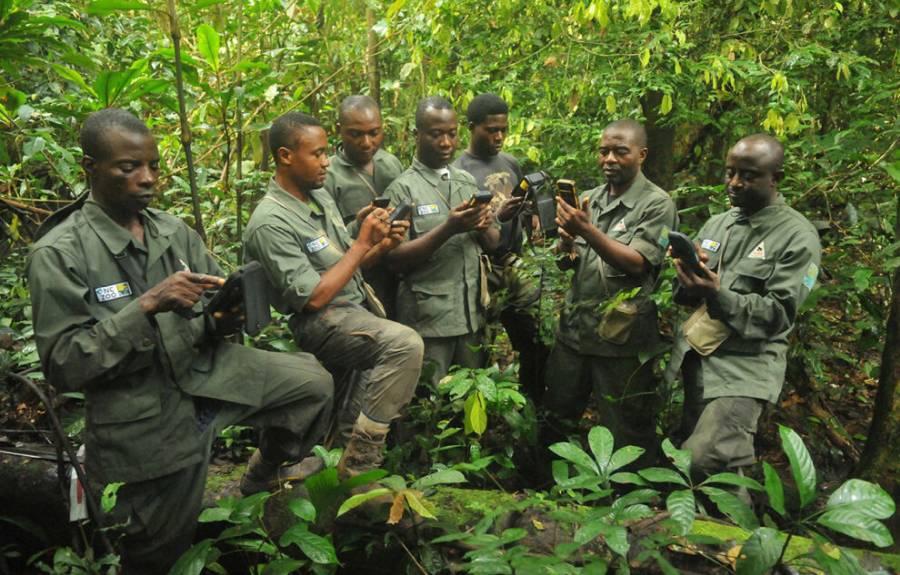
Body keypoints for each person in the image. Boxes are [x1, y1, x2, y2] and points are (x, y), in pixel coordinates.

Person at [27, 109, 334, 574]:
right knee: (158, 551)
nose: (147, 178)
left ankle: (261, 475)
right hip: (140, 408)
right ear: (90, 167)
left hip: (205, 375)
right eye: (128, 167)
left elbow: (211, 315)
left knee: (311, 382)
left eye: (152, 164)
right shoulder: (60, 252)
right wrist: (146, 305)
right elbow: (66, 365)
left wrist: (223, 317)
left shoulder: (171, 231)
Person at [243, 112, 423, 483]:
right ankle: (361, 465)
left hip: (351, 309)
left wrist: (379, 242)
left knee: (336, 419)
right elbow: (313, 297)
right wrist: (361, 242)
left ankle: (266, 474)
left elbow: (345, 267)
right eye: (318, 153)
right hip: (319, 320)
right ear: (285, 156)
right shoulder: (269, 221)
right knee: (404, 345)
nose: (327, 161)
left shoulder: (318, 197)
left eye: (327, 153)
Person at [667, 134, 821, 478]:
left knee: (705, 458)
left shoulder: (799, 237)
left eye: (747, 175)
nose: (734, 183)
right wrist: (688, 273)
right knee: (716, 467)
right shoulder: (719, 223)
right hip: (699, 359)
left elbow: (780, 314)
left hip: (745, 369)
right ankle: (726, 529)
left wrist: (718, 293)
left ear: (775, 179)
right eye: (729, 173)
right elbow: (689, 295)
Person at [544, 119, 677, 463]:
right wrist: (565, 242)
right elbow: (570, 264)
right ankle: (546, 491)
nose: (609, 159)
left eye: (621, 152)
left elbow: (638, 263)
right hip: (574, 333)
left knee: (627, 429)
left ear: (641, 155)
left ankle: (631, 503)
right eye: (604, 151)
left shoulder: (658, 204)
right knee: (557, 417)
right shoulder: (591, 199)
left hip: (622, 338)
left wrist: (586, 231)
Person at [385, 96, 500, 384]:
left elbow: (494, 243)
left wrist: (483, 226)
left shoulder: (466, 182)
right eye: (436, 134)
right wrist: (449, 227)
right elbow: (394, 259)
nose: (446, 142)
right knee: (426, 410)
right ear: (417, 135)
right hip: (428, 322)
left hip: (471, 317)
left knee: (471, 406)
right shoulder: (402, 190)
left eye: (451, 133)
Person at [452, 93, 549, 402]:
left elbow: (523, 206)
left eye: (504, 130)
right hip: (482, 272)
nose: (499, 137)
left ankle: (532, 401)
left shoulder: (510, 163)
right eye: (491, 130)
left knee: (537, 335)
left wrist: (533, 219)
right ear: (471, 127)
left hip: (515, 264)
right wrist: (496, 214)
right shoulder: (459, 171)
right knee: (481, 347)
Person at [323, 95, 405, 317]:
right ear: (339, 130)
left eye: (374, 133)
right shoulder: (327, 175)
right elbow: (331, 242)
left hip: (397, 276)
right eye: (356, 134)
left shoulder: (390, 163)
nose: (367, 142)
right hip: (358, 284)